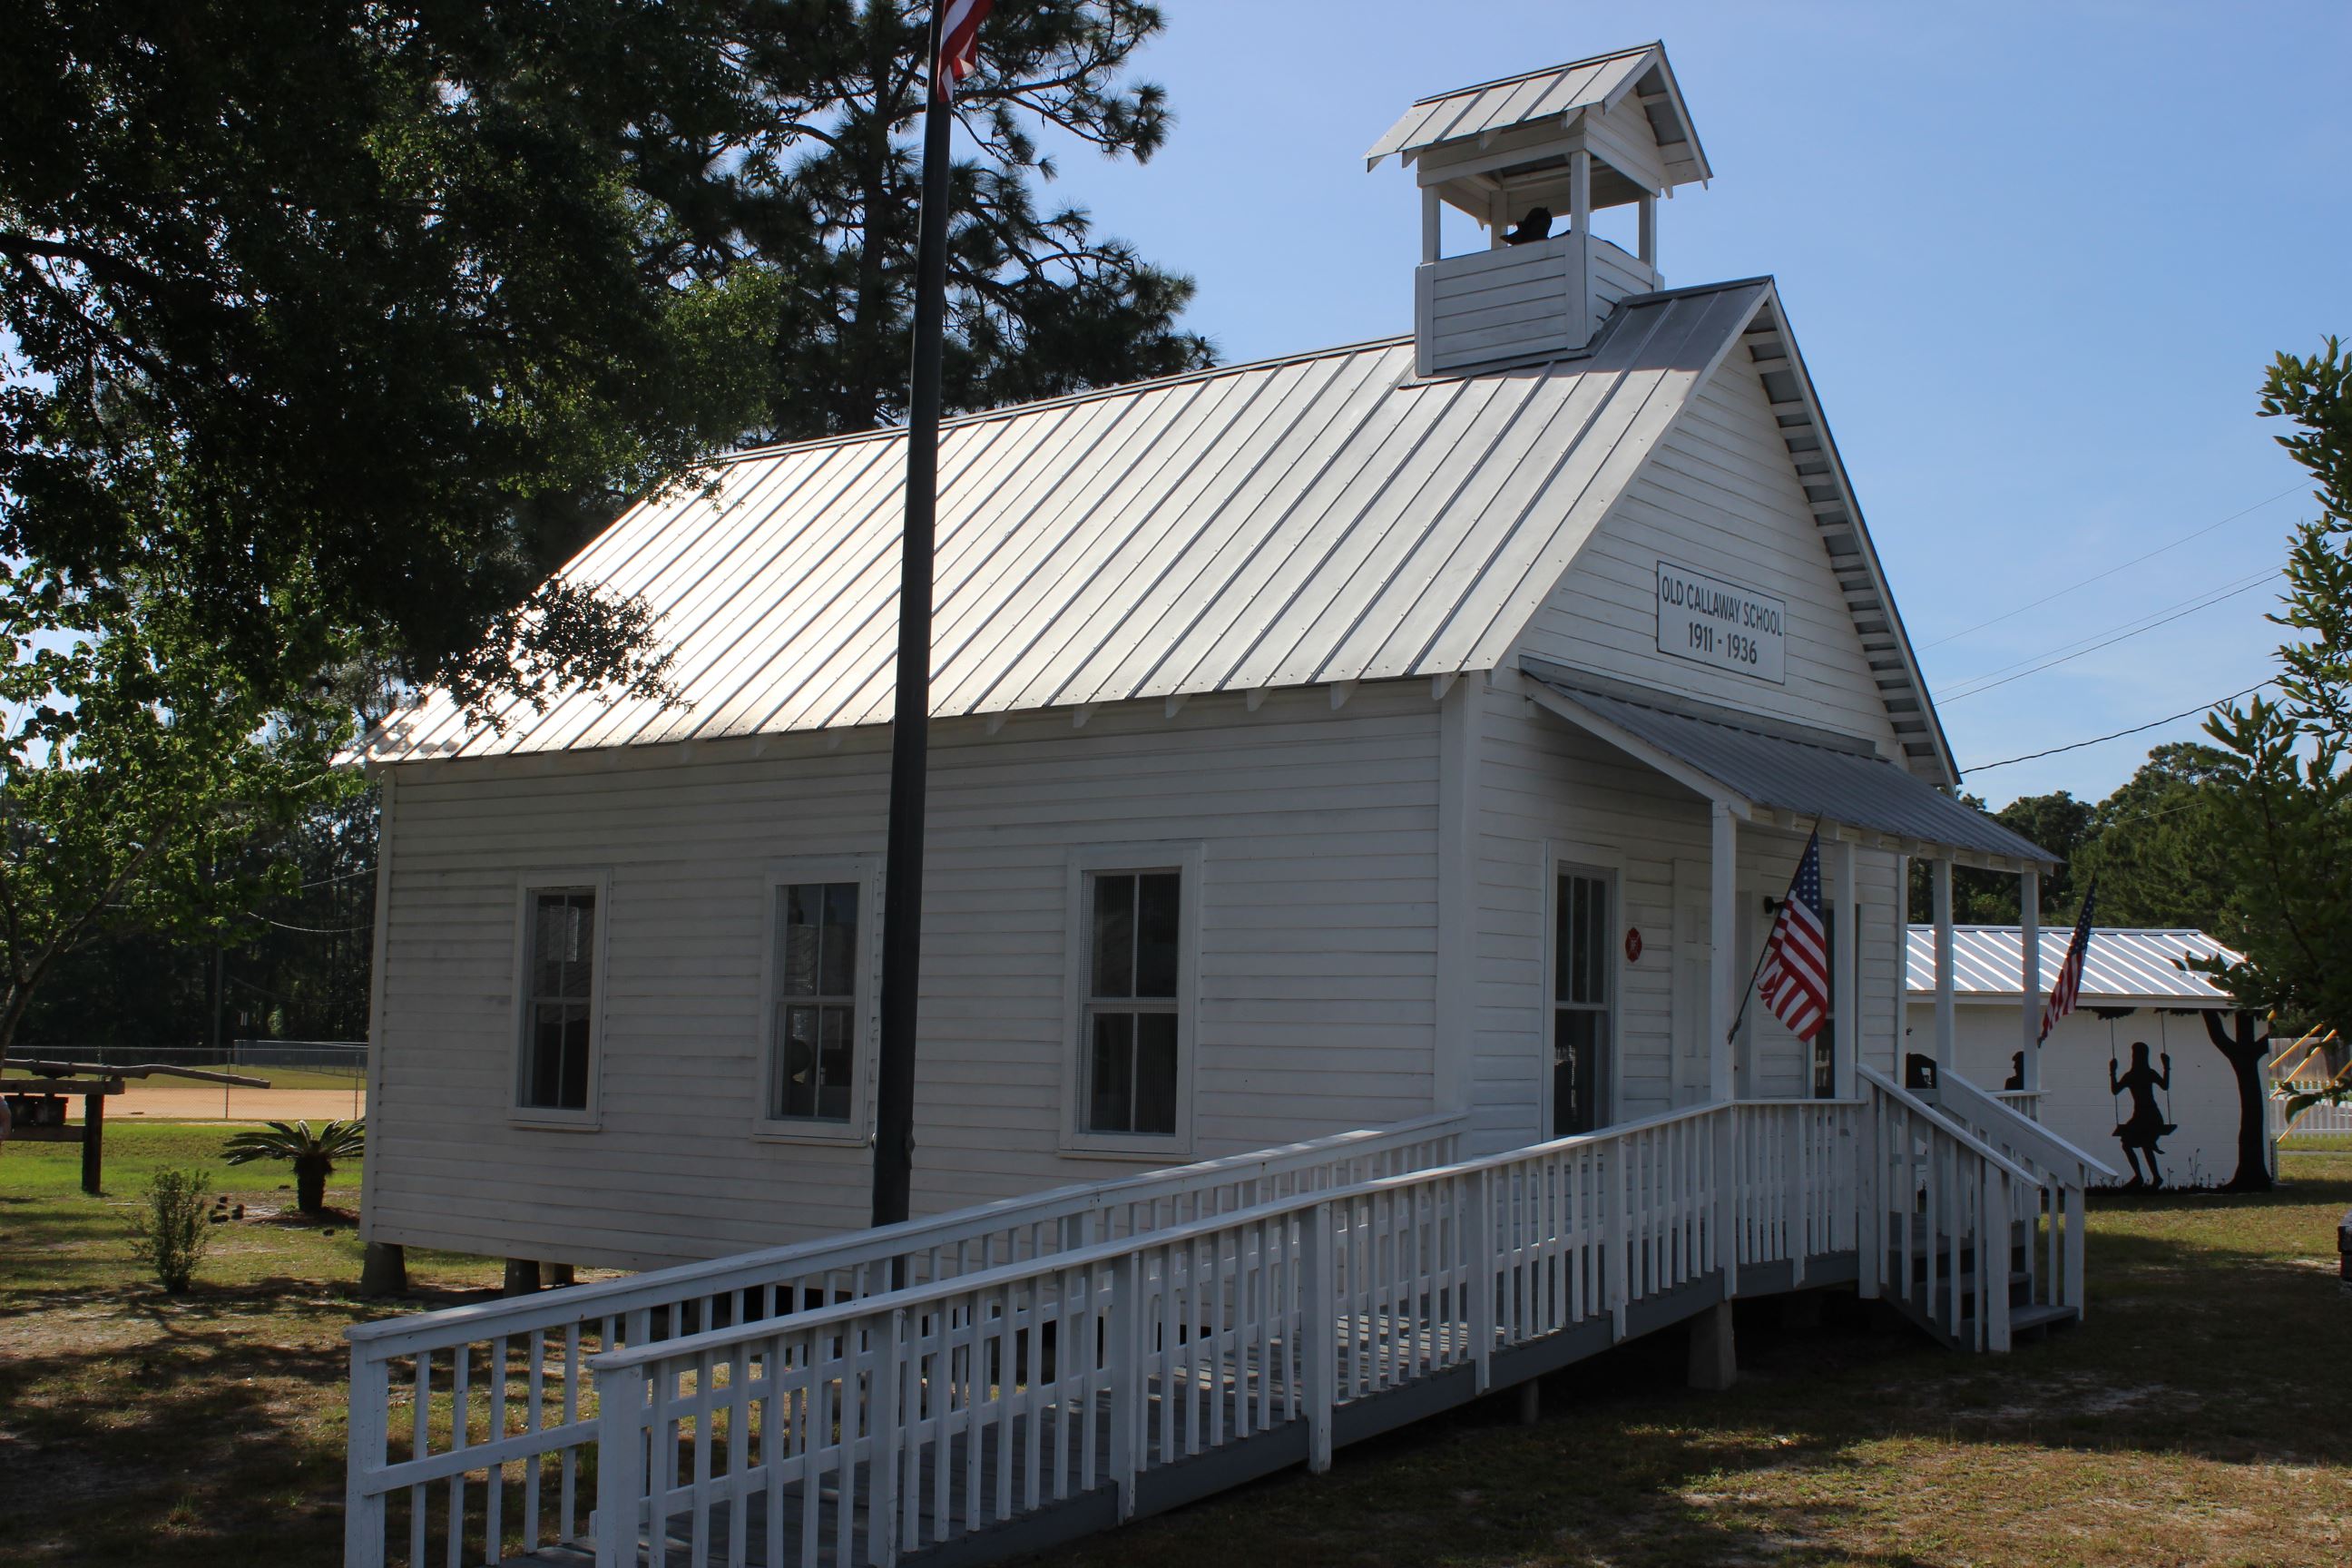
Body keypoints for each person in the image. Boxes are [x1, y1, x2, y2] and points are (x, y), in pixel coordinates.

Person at [2109, 1040, 2175, 1189]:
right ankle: (2143, 1177)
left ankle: (2151, 1177)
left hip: (2150, 1115)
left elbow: (2164, 1087)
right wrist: (2166, 1067)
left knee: (2143, 1143)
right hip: (2141, 1115)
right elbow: (2116, 1091)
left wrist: (2113, 1072)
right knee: (2128, 1143)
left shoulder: (2136, 1074)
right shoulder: (2141, 1074)